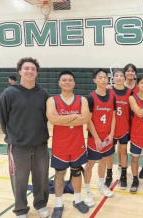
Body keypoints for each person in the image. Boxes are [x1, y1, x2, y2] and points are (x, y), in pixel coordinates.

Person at [0, 57, 50, 218]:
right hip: (18, 146)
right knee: (19, 180)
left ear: (36, 73)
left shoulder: (43, 93)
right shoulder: (9, 93)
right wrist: (14, 135)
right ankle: (20, 209)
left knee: (41, 178)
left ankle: (40, 204)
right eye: (26, 68)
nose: (29, 71)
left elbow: (46, 117)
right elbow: (2, 118)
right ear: (19, 71)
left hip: (40, 144)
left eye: (33, 69)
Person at [46, 71, 90, 218]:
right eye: (64, 80)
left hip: (77, 144)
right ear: (59, 83)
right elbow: (53, 120)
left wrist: (62, 118)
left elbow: (84, 119)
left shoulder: (82, 99)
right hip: (60, 145)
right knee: (60, 174)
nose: (67, 82)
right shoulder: (52, 100)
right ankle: (59, 204)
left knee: (77, 172)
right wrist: (75, 115)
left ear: (74, 83)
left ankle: (77, 200)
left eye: (70, 80)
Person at [84, 69, 116, 207]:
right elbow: (88, 120)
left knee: (103, 161)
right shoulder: (90, 97)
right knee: (90, 164)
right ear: (95, 80)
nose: (103, 80)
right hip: (94, 137)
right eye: (100, 78)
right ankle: (86, 191)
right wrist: (96, 138)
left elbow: (114, 116)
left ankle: (101, 185)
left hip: (107, 136)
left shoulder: (112, 96)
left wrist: (111, 134)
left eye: (105, 77)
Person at [105, 68, 132, 190]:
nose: (119, 77)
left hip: (124, 127)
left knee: (124, 151)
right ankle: (109, 175)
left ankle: (124, 175)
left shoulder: (129, 92)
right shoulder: (108, 91)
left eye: (121, 75)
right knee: (110, 153)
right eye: (117, 75)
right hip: (111, 128)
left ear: (124, 78)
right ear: (113, 78)